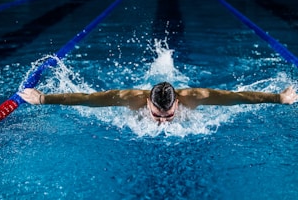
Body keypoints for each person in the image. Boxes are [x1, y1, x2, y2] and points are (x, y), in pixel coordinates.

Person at [18, 82, 297, 124]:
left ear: (178, 101)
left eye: (168, 115)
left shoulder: (195, 97)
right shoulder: (130, 99)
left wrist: (279, 98)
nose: (162, 122)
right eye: (157, 114)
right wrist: (43, 98)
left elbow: (238, 97)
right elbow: (88, 100)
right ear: (148, 103)